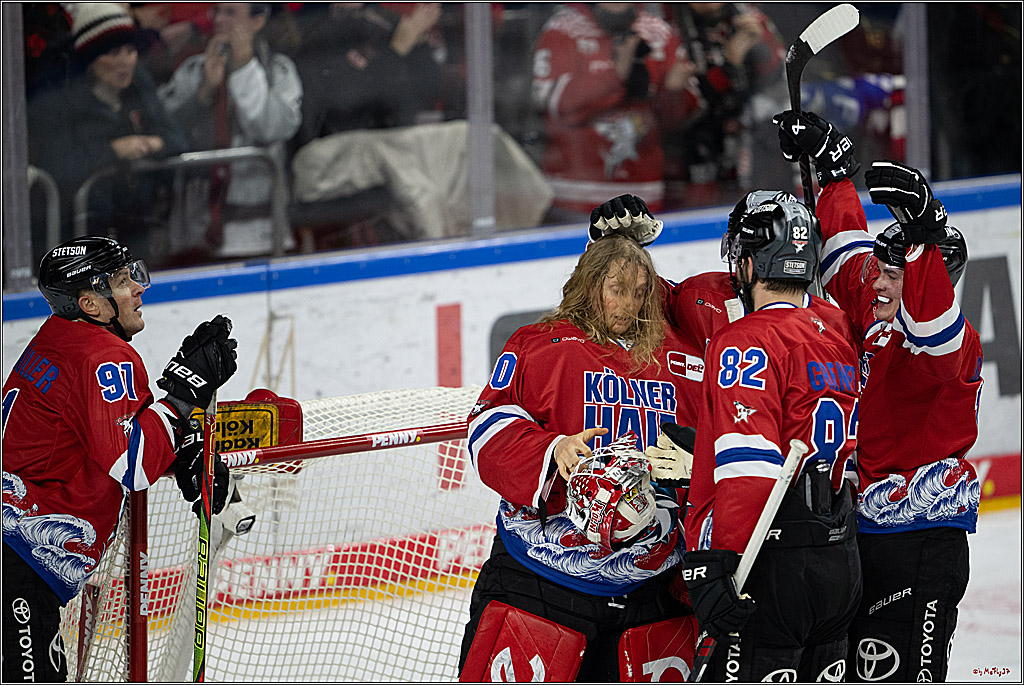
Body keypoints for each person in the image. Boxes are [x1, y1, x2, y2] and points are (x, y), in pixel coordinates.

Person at [773, 110, 983, 682]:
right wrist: (832, 167)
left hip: (921, 542)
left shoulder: (954, 342)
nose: (882, 281)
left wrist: (921, 234)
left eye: (898, 272)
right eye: (882, 270)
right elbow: (844, 256)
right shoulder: (872, 305)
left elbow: (931, 321)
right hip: (852, 535)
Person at [459, 236, 700, 681]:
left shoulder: (682, 360)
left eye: (640, 290)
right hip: (541, 583)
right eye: (616, 288)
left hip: (650, 593)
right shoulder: (542, 346)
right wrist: (554, 450)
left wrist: (692, 463)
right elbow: (486, 426)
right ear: (591, 286)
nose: (629, 304)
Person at [2, 236, 237, 683]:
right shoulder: (103, 355)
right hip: (14, 566)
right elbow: (132, 464)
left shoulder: (58, 339)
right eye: (123, 281)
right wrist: (185, 395)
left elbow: (101, 437)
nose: (138, 288)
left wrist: (180, 449)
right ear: (90, 303)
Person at [26, 2, 189, 266]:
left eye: (130, 50)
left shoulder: (139, 85)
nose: (125, 61)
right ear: (90, 57)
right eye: (113, 52)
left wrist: (154, 143)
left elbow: (176, 139)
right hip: (74, 243)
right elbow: (57, 167)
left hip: (135, 234)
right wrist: (113, 151)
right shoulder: (54, 102)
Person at [158, 2, 302, 261]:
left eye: (231, 12)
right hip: (195, 231)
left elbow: (271, 128)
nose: (219, 19)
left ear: (257, 22)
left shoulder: (279, 70)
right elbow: (162, 134)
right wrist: (202, 93)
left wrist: (244, 66)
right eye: (217, 11)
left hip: (260, 230)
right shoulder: (193, 70)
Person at [531, 3, 702, 218]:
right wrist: (616, 75)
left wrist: (673, 91)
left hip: (644, 199)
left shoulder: (659, 33)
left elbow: (676, 121)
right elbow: (559, 107)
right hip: (575, 199)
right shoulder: (563, 29)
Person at [662, 2, 788, 208]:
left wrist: (762, 49)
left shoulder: (749, 18)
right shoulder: (666, 25)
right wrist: (730, 65)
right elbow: (674, 114)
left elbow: (779, 85)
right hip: (688, 160)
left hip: (748, 151)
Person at [292, 2, 444, 147]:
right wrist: (396, 50)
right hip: (346, 150)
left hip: (398, 143)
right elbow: (344, 99)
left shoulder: (386, 21)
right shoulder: (319, 34)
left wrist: (419, 40)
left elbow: (428, 88)